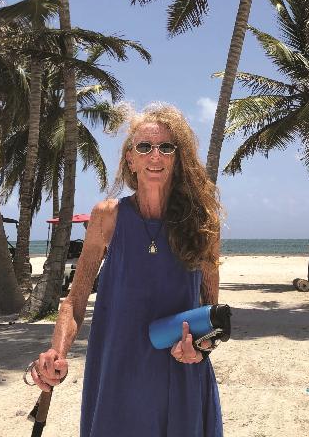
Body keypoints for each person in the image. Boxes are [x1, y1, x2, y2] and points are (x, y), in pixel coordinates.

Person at [31, 103, 224, 436]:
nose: (155, 155)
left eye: (166, 147)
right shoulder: (107, 217)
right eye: (144, 146)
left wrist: (201, 348)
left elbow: (212, 312)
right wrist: (56, 352)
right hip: (118, 373)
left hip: (181, 372)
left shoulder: (201, 223)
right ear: (130, 159)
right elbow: (74, 302)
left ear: (177, 159)